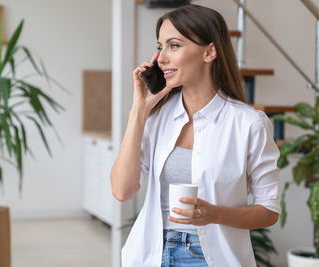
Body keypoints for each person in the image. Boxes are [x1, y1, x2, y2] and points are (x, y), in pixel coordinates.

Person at [110, 4, 281, 267]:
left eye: (174, 45)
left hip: (210, 258)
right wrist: (139, 111)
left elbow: (268, 212)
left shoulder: (248, 123)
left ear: (209, 51)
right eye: (160, 46)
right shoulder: (157, 118)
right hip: (150, 254)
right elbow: (122, 191)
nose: (161, 58)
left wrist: (213, 214)